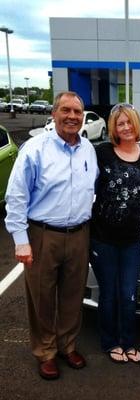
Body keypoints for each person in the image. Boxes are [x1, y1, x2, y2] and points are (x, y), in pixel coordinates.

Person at [5, 91, 98, 380]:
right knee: (42, 297)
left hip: (80, 234)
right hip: (43, 234)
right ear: (54, 114)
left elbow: (90, 188)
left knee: (73, 296)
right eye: (66, 110)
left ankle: (67, 346)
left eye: (77, 112)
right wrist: (21, 240)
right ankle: (45, 352)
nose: (72, 116)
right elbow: (16, 196)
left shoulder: (88, 150)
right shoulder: (35, 148)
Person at [90, 103, 140, 364]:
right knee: (108, 294)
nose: (126, 127)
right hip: (102, 238)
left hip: (132, 240)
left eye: (129, 121)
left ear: (136, 124)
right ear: (113, 128)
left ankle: (129, 341)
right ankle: (110, 342)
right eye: (120, 123)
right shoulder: (102, 153)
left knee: (129, 293)